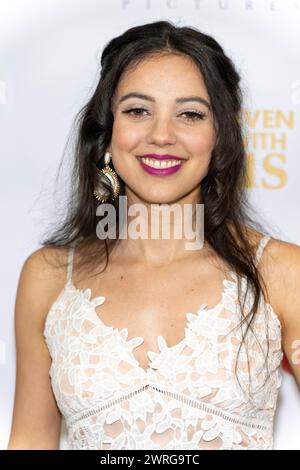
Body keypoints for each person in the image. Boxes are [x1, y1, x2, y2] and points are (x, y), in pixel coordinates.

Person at [7, 20, 300, 450]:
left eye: (190, 114)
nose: (161, 135)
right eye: (138, 110)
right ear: (107, 133)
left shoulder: (281, 272)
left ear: (220, 137)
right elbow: (30, 440)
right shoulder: (48, 277)